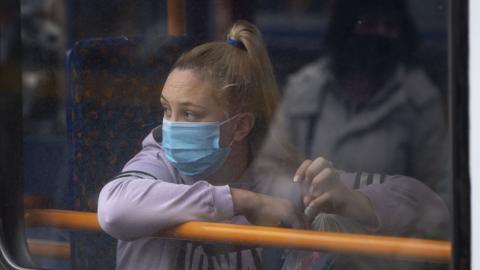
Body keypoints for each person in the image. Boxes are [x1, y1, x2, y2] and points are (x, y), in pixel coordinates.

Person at [97, 20, 448, 270]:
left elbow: (430, 207)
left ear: (240, 127)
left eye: (190, 114)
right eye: (166, 109)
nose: (169, 127)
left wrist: (353, 203)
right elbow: (115, 208)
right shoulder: (160, 163)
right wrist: (244, 202)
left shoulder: (281, 179)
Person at [274, 0, 450, 204]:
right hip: (310, 229)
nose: (379, 34)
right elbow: (269, 172)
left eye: (390, 27)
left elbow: (441, 195)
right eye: (368, 24)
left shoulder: (419, 100)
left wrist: (372, 209)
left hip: (385, 234)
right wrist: (302, 195)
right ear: (346, 28)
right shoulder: (306, 88)